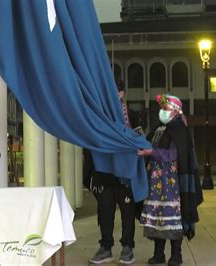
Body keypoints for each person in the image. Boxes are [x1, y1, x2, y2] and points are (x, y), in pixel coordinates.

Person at [138, 94, 203, 266]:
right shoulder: (160, 128)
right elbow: (147, 143)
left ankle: (176, 255)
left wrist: (151, 153)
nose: (162, 112)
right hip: (156, 182)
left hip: (172, 184)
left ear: (175, 111)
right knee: (158, 216)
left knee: (172, 217)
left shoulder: (180, 129)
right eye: (161, 109)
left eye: (165, 109)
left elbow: (173, 155)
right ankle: (158, 254)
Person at [86, 80, 140, 265]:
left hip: (125, 175)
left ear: (121, 93)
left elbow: (138, 141)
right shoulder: (99, 116)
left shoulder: (131, 115)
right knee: (105, 210)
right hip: (105, 173)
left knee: (127, 211)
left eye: (113, 92)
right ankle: (106, 247)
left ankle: (127, 248)